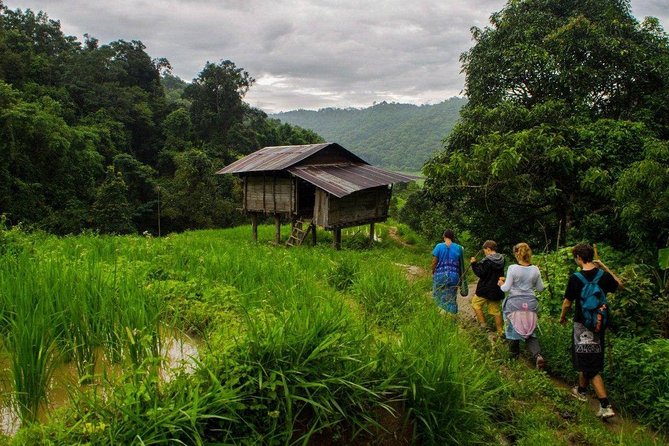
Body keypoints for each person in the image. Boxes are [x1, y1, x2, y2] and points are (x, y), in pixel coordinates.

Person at [559, 243, 623, 419]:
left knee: (591, 365)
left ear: (579, 257)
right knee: (586, 355)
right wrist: (602, 266)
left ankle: (605, 405)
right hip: (599, 324)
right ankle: (581, 391)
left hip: (582, 324)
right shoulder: (603, 276)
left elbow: (567, 303)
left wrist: (562, 317)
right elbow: (619, 284)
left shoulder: (576, 278)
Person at [498, 242, 545, 369]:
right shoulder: (535, 269)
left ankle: (514, 359)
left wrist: (500, 283)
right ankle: (537, 355)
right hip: (530, 303)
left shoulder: (513, 268)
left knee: (513, 330)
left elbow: (506, 288)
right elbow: (540, 288)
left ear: (516, 254)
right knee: (530, 331)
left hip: (514, 303)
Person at [470, 240, 505, 335]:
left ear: (488, 249)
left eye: (485, 250)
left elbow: (480, 273)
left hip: (485, 289)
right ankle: (500, 332)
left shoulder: (487, 261)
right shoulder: (502, 259)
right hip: (497, 289)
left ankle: (484, 326)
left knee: (475, 304)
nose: (485, 253)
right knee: (496, 311)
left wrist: (474, 264)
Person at [432, 229, 465, 314]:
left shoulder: (439, 246)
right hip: (454, 276)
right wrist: (461, 279)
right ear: (452, 237)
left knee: (438, 295)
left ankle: (440, 315)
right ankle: (452, 316)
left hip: (440, 275)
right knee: (451, 296)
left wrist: (433, 272)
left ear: (444, 236)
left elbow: (434, 261)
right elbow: (461, 265)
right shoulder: (459, 248)